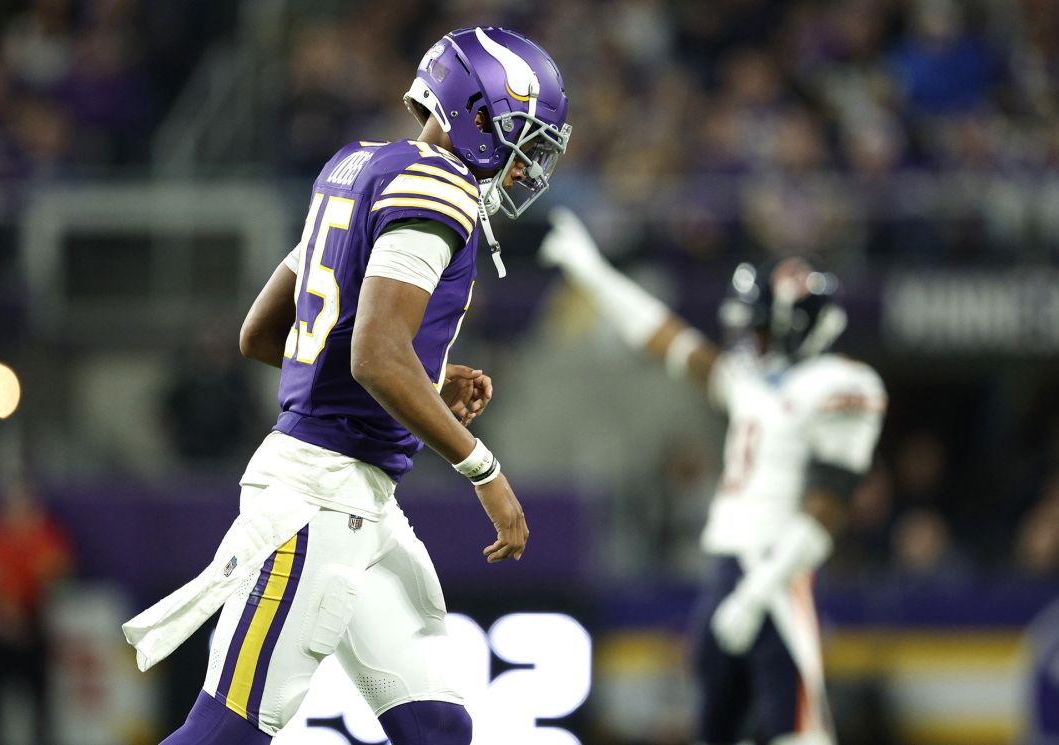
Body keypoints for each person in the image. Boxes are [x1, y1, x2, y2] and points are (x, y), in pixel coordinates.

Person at [123, 26, 571, 745]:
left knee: (438, 727)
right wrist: (483, 469)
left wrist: (422, 376)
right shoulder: (439, 188)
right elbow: (375, 358)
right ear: (478, 112)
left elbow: (268, 333)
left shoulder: (359, 165)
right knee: (225, 732)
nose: (526, 166)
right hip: (318, 500)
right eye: (524, 136)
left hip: (362, 503)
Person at [540, 209, 886, 745]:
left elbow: (826, 512)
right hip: (725, 570)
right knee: (715, 730)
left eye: (764, 328)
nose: (753, 339)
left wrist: (755, 595)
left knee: (797, 733)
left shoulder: (843, 385)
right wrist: (592, 272)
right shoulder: (754, 381)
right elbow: (665, 335)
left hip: (774, 577)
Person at [0, 480, 74, 745]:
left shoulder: (45, 536)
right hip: (1, 632)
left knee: (41, 705)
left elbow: (60, 577)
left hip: (33, 629)